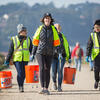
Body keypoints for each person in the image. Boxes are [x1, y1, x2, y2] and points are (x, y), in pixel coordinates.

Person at [31, 13, 60, 95]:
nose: (47, 20)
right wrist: (33, 53)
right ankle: (42, 87)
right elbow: (35, 42)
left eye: (48, 18)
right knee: (42, 68)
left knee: (47, 70)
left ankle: (46, 88)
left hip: (50, 53)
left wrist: (58, 52)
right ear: (43, 20)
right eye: (46, 18)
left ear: (51, 20)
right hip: (40, 52)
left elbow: (57, 42)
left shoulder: (53, 29)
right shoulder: (40, 28)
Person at [3, 24, 33, 92]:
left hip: (25, 59)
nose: (26, 32)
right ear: (20, 31)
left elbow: (31, 49)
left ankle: (21, 85)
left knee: (24, 74)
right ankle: (20, 86)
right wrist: (7, 60)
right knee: (20, 73)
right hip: (17, 59)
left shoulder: (28, 39)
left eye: (26, 31)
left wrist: (33, 55)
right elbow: (10, 51)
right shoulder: (14, 39)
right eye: (24, 31)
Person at [51, 23, 71, 92]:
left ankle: (59, 86)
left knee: (60, 71)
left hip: (62, 56)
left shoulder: (63, 36)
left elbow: (67, 47)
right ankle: (54, 82)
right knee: (53, 72)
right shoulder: (52, 36)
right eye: (56, 28)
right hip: (53, 57)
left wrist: (69, 57)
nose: (58, 29)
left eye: (59, 27)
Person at [86, 19, 100, 89]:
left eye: (98, 27)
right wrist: (87, 55)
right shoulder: (92, 35)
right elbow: (89, 45)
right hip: (96, 56)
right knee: (96, 70)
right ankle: (97, 81)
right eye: (95, 27)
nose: (96, 29)